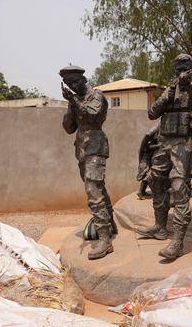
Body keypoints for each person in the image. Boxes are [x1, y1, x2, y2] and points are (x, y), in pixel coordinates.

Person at [136, 54, 192, 260]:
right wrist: (169, 91)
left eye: (185, 67)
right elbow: (152, 113)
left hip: (184, 142)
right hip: (164, 141)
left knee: (178, 187)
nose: (181, 71)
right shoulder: (170, 89)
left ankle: (177, 241)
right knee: (155, 180)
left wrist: (191, 88)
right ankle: (160, 227)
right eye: (178, 68)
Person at [60, 65, 117, 260]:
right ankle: (111, 225)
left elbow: (93, 116)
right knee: (97, 187)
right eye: (69, 84)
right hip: (82, 149)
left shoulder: (97, 96)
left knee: (93, 191)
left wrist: (74, 101)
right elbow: (69, 128)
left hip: (96, 146)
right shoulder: (75, 100)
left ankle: (105, 240)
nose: (73, 86)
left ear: (84, 80)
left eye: (75, 82)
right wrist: (70, 105)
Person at [136, 123, 160, 199]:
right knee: (146, 178)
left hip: (147, 162)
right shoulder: (149, 142)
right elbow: (148, 148)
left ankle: (142, 192)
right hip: (145, 162)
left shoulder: (152, 141)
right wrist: (158, 146)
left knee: (146, 178)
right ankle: (141, 192)